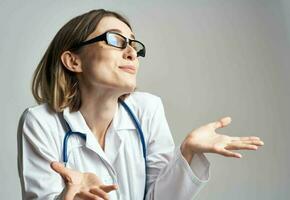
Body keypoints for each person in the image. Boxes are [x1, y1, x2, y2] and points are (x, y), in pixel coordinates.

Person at [17, 9, 264, 200]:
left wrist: (188, 152)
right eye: (115, 40)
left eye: (133, 44)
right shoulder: (40, 122)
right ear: (73, 61)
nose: (131, 53)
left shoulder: (147, 109)